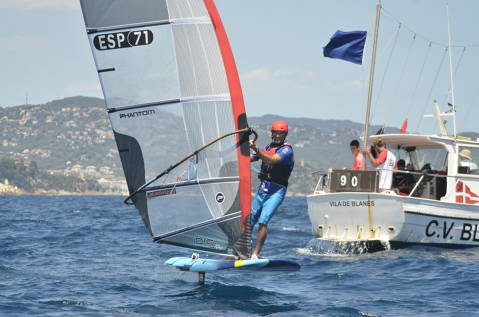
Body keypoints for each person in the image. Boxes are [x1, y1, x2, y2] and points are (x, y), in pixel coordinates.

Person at [249, 120, 294, 259]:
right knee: (248, 221)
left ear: (285, 134)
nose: (278, 136)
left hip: (276, 192)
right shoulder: (268, 147)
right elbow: (252, 157)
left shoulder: (287, 150)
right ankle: (241, 250)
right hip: (263, 190)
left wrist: (256, 149)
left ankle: (256, 254)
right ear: (271, 133)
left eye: (281, 133)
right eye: (275, 133)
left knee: (263, 221)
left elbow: (271, 160)